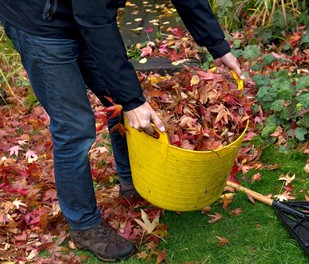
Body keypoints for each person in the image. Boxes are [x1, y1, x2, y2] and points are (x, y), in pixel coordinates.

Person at [0, 0, 243, 262]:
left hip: (85, 14)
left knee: (120, 97)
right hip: (40, 22)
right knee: (74, 127)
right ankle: (84, 225)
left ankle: (132, 183)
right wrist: (132, 101)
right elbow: (94, 19)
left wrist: (217, 45)